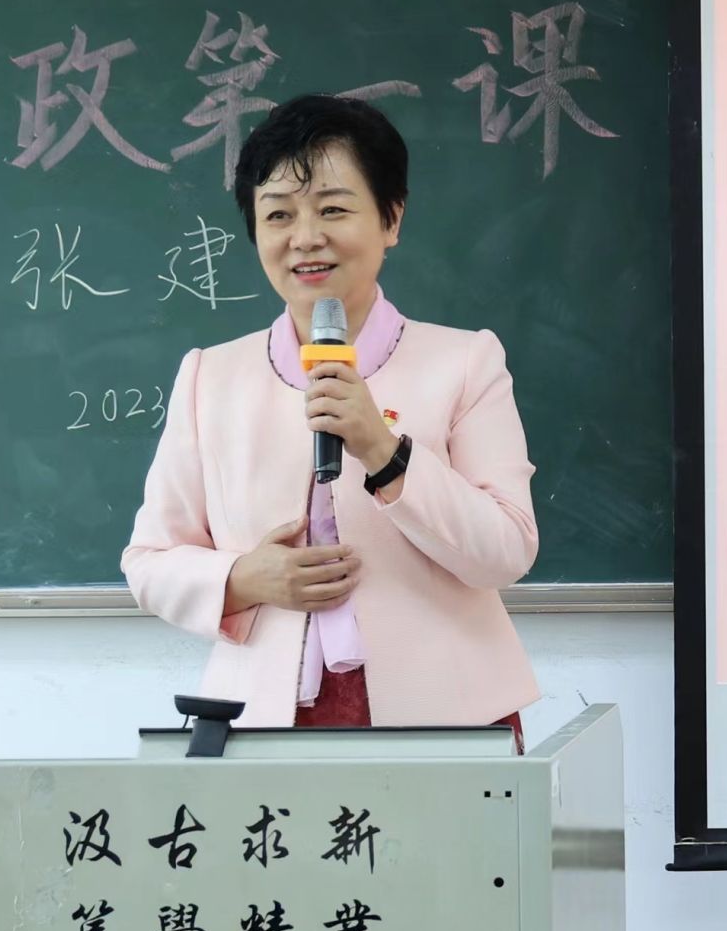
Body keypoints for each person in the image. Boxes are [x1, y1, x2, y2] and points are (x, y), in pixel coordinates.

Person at [123, 94, 539, 746]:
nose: (305, 237)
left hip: (449, 719)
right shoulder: (211, 376)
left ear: (391, 218)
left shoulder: (465, 362)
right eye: (278, 214)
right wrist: (241, 578)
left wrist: (384, 451)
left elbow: (506, 553)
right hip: (261, 720)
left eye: (333, 209)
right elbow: (150, 562)